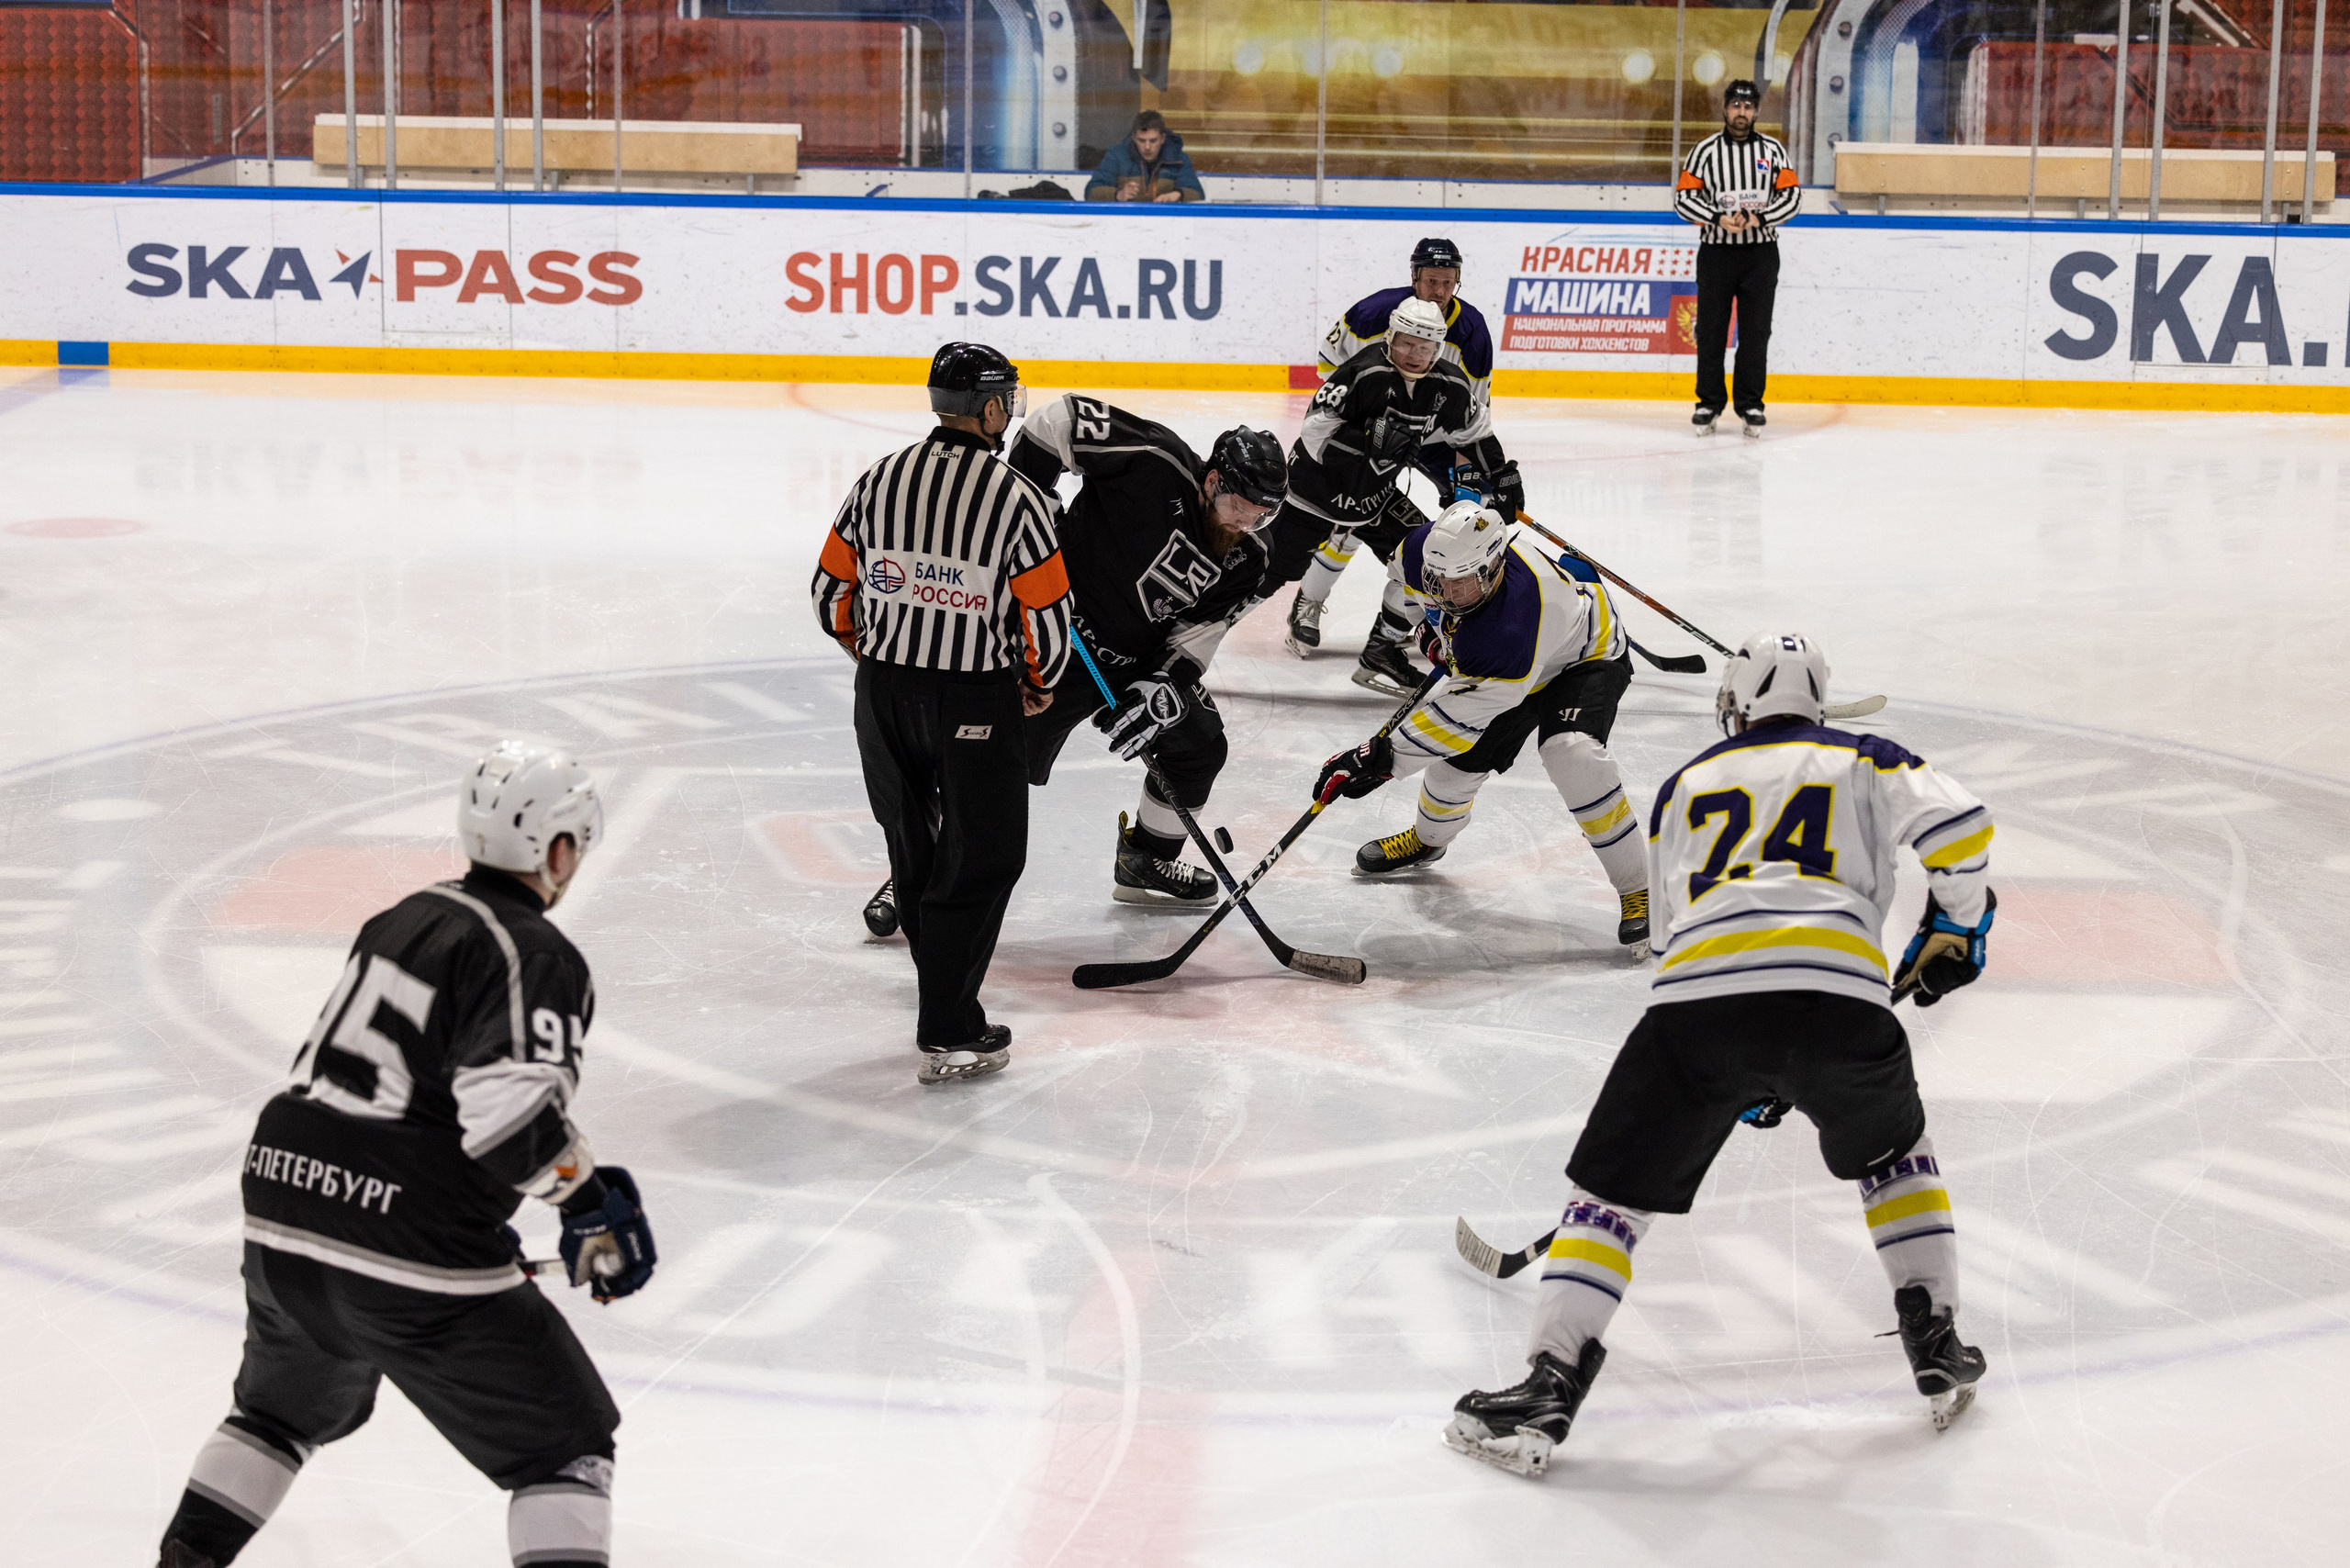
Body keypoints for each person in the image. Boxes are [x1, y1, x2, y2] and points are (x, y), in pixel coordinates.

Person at [1443, 633, 1998, 1477]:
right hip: (1841, 1002)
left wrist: (1739, 1065)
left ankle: (1550, 1382)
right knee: (1895, 1158)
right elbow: (1962, 823)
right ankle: (1936, 1336)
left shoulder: (1686, 784)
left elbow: (1673, 937)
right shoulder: (1870, 758)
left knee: (1610, 1201)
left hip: (1697, 1009)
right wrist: (1957, 922)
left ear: (1736, 703)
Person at [155, 743, 657, 1568]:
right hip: (406, 1235)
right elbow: (502, 1116)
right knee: (562, 1449)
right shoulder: (534, 953)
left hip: (284, 1203)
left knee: (276, 1416)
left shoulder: (404, 915)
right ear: (558, 849)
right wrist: (585, 1199)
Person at [812, 342, 1074, 1084]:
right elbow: (1047, 616)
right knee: (983, 855)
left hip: (885, 696)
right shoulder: (1018, 496)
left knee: (913, 846)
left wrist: (878, 661)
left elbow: (830, 592)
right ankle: (951, 1024)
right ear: (991, 410)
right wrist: (1038, 681)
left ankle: (945, 1002)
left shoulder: (880, 478)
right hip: (975, 701)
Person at [1311, 500, 1650, 947]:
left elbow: (1456, 721)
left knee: (1572, 755)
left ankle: (1637, 890)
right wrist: (1426, 635)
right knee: (1452, 771)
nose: (1448, 595)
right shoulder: (1421, 553)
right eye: (1440, 582)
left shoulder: (1512, 626)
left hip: (1583, 657)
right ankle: (1427, 840)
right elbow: (1409, 590)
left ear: (1493, 568)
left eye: (1461, 585)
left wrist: (1379, 759)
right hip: (1513, 666)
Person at [1002, 391, 1288, 902]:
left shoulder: (1251, 558)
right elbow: (1060, 418)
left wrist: (1162, 687)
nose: (1245, 523)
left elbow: (1199, 633)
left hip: (1129, 663)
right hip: (1048, 638)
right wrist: (1031, 512)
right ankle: (918, 869)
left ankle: (1145, 860)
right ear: (1213, 480)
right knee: (986, 759)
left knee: (1199, 748)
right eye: (1239, 507)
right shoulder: (1155, 463)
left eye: (1261, 516)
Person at [1259, 297, 1523, 698]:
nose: (1415, 354)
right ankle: (1195, 634)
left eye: (1425, 346)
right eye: (1407, 343)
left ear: (1438, 347)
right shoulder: (1363, 372)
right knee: (1263, 573)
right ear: (1390, 337)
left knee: (1432, 556)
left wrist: (1501, 475)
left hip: (1375, 497)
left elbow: (1476, 434)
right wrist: (1366, 442)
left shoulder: (1448, 383)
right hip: (1315, 494)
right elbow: (1314, 433)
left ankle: (1382, 650)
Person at [1289, 237, 1496, 658]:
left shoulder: (1473, 332)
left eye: (1448, 282)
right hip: (1371, 427)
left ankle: (1412, 619)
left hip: (1435, 434)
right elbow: (1333, 370)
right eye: (1432, 280)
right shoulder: (1373, 312)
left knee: (1465, 515)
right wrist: (1368, 430)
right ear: (1415, 277)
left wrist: (1467, 474)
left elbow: (1472, 413)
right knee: (1350, 515)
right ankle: (1307, 604)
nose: (1439, 291)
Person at [1673, 79, 1800, 435]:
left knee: (1757, 331)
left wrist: (1759, 218)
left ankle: (1751, 404)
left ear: (1756, 111)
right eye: (1735, 106)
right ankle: (1708, 403)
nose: (1741, 112)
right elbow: (1683, 199)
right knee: (1711, 331)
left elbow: (1792, 198)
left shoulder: (1773, 151)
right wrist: (1717, 217)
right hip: (1716, 253)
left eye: (1748, 107)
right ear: (1725, 109)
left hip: (1760, 254)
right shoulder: (1705, 151)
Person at [1084, 109, 1205, 203]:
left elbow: (1198, 194)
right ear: (1134, 138)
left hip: (1167, 223)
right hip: (1124, 223)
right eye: (1142, 141)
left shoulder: (1178, 159)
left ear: (1162, 138)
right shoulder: (1116, 156)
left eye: (1153, 141)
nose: (1147, 147)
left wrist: (1178, 195)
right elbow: (1091, 192)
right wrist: (1118, 195)